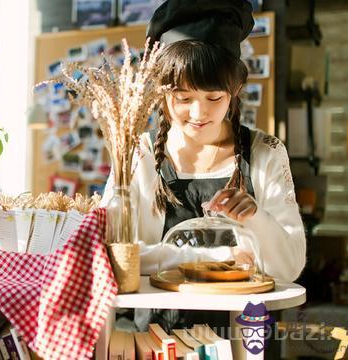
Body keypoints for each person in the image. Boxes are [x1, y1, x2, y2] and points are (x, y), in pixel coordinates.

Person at [101, 0, 306, 337]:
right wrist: (226, 256)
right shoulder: (135, 154)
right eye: (183, 98)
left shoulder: (266, 153)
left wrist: (257, 218)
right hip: (152, 338)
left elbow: (289, 267)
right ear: (161, 93)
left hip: (241, 338)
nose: (198, 113)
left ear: (235, 91)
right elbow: (116, 255)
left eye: (214, 98)